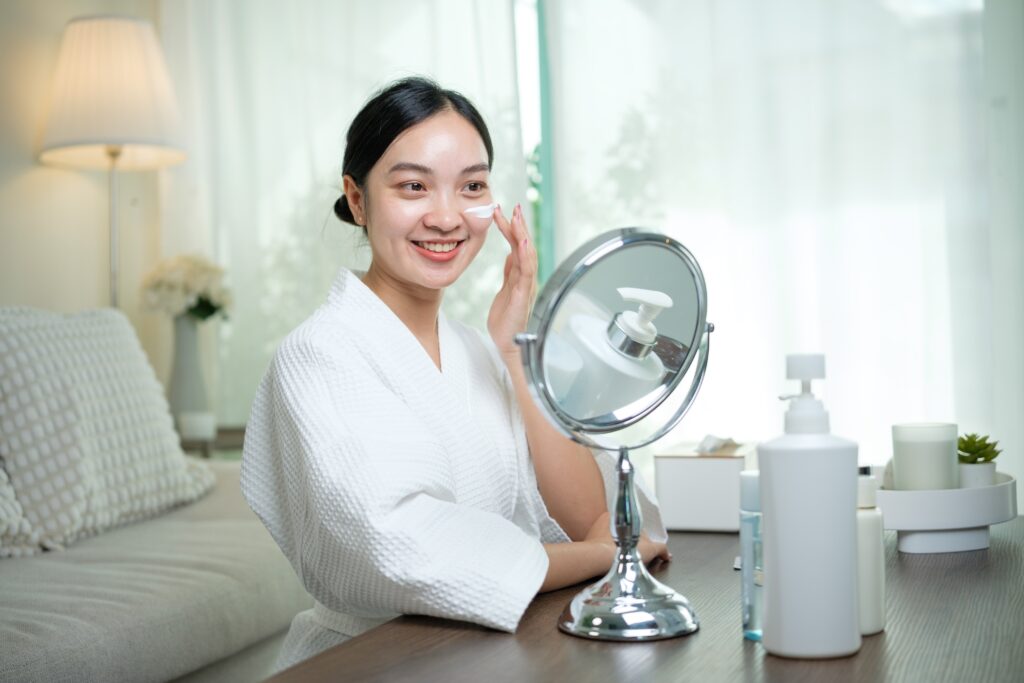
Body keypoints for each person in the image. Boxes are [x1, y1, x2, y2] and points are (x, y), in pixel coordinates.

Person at [240, 76, 670, 671]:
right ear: (358, 199)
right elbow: (410, 549)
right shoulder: (318, 354)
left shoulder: (478, 349)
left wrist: (515, 354)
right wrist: (601, 555)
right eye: (413, 186)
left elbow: (585, 514)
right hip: (373, 659)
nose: (446, 217)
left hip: (505, 647)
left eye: (471, 186)